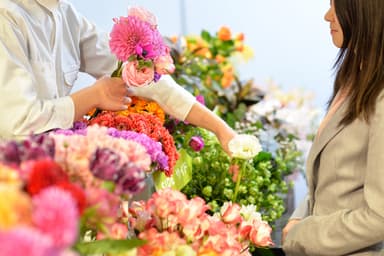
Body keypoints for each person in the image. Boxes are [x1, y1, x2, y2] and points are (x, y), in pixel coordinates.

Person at [0, 0, 236, 154]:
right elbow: (18, 123)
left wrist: (221, 130)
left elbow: (137, 73)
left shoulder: (65, 14)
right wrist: (92, 96)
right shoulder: (7, 16)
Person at [282, 0, 384, 255]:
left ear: (364, 11)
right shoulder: (353, 77)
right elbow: (331, 181)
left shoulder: (380, 97)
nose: (328, 17)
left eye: (336, 7)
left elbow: (379, 217)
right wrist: (298, 218)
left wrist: (300, 235)